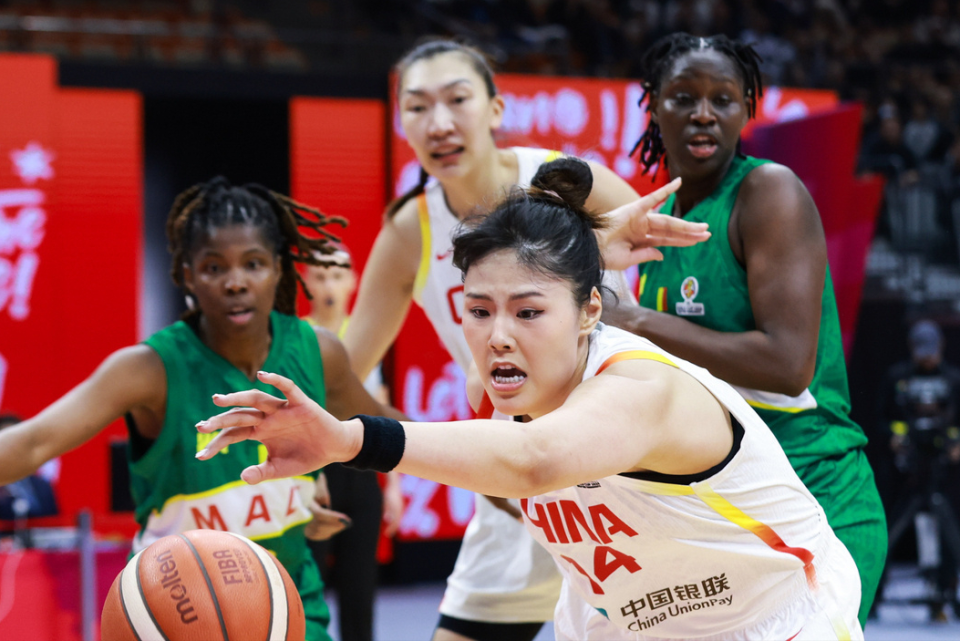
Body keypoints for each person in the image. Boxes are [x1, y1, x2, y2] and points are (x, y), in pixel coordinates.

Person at [197, 158, 864, 641]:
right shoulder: (505, 378)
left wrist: (347, 438)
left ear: (590, 310)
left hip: (774, 621)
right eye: (478, 310)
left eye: (527, 311)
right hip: (630, 623)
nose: (497, 336)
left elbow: (534, 460)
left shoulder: (643, 388)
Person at [341, 37, 710, 641]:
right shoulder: (412, 229)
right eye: (417, 107)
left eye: (457, 99)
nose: (438, 123)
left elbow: (682, 305)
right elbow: (343, 370)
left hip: (627, 472)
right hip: (516, 483)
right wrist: (453, 452)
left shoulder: (568, 182)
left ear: (494, 108)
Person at [0, 177, 403, 641]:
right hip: (174, 613)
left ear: (278, 268)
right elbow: (34, 442)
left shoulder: (318, 352)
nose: (235, 282)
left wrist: (474, 446)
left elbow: (394, 431)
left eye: (253, 264)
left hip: (288, 610)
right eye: (214, 267)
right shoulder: (149, 369)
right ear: (189, 276)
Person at [600, 33, 887, 625]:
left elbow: (787, 366)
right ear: (653, 105)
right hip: (727, 505)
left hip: (815, 490)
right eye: (684, 97)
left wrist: (634, 320)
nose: (704, 113)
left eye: (723, 99)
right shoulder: (661, 221)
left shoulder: (768, 191)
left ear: (745, 110)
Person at [301, 248, 405, 641]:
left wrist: (393, 485)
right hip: (311, 475)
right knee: (308, 590)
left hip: (362, 471)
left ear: (353, 281)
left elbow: (381, 408)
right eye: (320, 275)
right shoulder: (297, 337)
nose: (329, 284)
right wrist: (309, 477)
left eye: (337, 275)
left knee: (360, 591)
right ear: (307, 282)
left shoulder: (367, 338)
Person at [879, 319, 960, 621]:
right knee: (888, 530)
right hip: (907, 474)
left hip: (944, 473)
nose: (927, 357)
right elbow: (880, 419)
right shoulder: (897, 377)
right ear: (912, 348)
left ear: (941, 347)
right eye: (921, 350)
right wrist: (893, 437)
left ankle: (947, 592)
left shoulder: (953, 379)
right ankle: (873, 596)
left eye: (931, 350)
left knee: (951, 534)